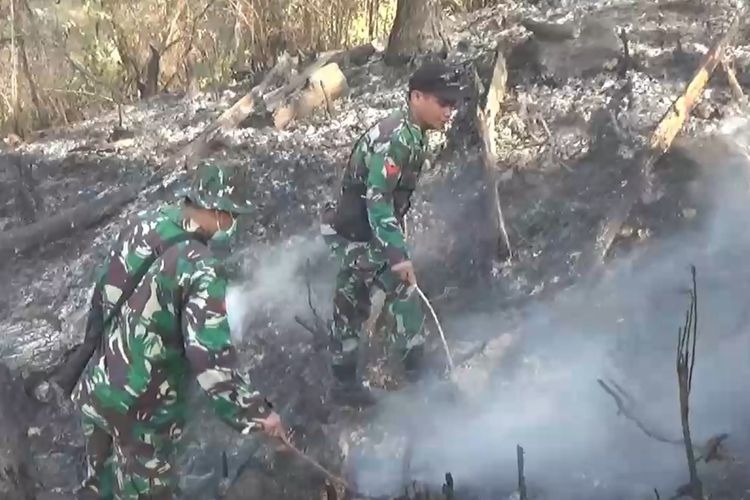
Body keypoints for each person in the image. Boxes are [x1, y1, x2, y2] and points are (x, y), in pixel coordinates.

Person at [71, 162, 285, 500]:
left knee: (97, 488)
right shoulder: (201, 267)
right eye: (234, 215)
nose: (235, 224)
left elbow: (102, 297)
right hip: (143, 412)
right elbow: (210, 359)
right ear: (217, 211)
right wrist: (256, 413)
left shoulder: (144, 225)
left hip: (99, 390)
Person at [320, 60, 462, 403]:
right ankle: (420, 382)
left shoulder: (412, 132)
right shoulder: (397, 138)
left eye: (453, 104)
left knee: (350, 300)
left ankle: (343, 387)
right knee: (400, 290)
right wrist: (397, 256)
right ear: (417, 97)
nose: (449, 111)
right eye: (442, 103)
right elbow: (378, 200)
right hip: (356, 231)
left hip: (358, 229)